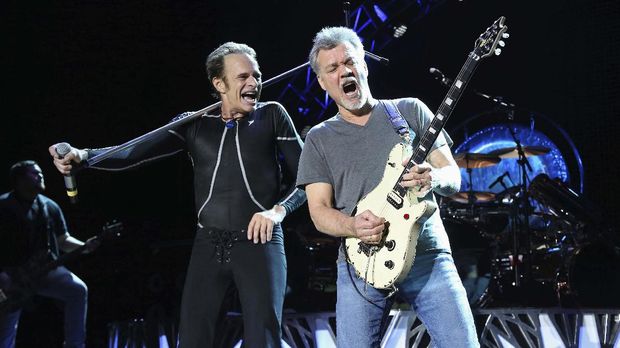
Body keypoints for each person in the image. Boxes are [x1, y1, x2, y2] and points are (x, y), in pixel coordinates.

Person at [48, 42, 305, 348]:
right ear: (219, 84)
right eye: (243, 77)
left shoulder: (273, 115)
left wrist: (277, 212)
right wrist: (85, 155)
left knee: (262, 339)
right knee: (193, 339)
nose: (254, 83)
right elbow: (134, 151)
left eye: (257, 76)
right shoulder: (194, 122)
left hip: (260, 243)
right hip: (208, 243)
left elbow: (308, 181)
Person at [296, 27, 479, 347]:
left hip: (427, 257)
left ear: (364, 64)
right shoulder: (319, 138)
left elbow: (453, 176)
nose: (344, 71)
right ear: (323, 83)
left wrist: (433, 178)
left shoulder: (409, 110)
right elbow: (318, 211)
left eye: (349, 61)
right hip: (361, 262)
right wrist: (353, 225)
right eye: (333, 69)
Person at [0, 160, 97, 348]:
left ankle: (74, 345)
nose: (40, 175)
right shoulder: (3, 207)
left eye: (41, 172)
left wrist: (85, 246)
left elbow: (62, 240)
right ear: (20, 180)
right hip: (11, 277)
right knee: (6, 326)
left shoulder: (49, 206)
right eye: (34, 173)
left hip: (46, 270)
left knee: (77, 290)